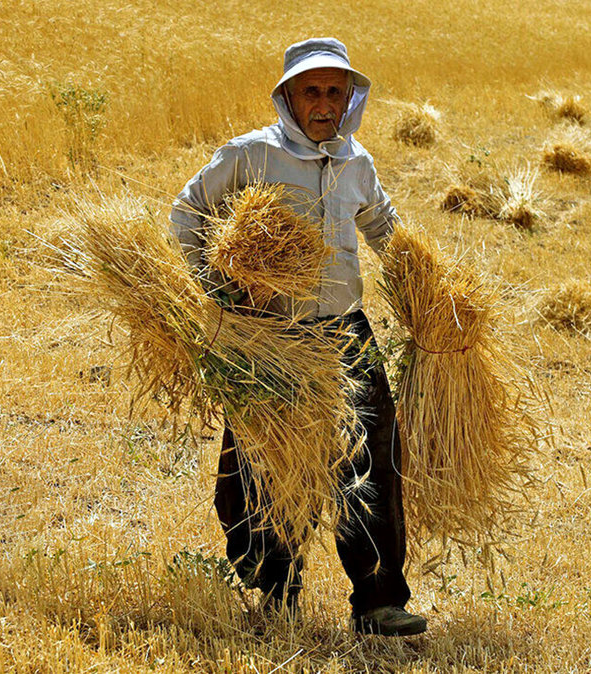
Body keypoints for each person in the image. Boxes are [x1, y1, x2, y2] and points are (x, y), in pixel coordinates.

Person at [168, 37, 427, 637]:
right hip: (270, 335)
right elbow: (187, 212)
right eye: (312, 91)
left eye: (336, 92)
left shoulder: (356, 161)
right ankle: (274, 591)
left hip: (345, 333)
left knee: (371, 458)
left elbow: (386, 228)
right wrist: (217, 287)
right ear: (288, 96)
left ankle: (379, 600)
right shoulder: (252, 155)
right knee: (264, 463)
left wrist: (425, 292)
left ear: (349, 100)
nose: (325, 103)